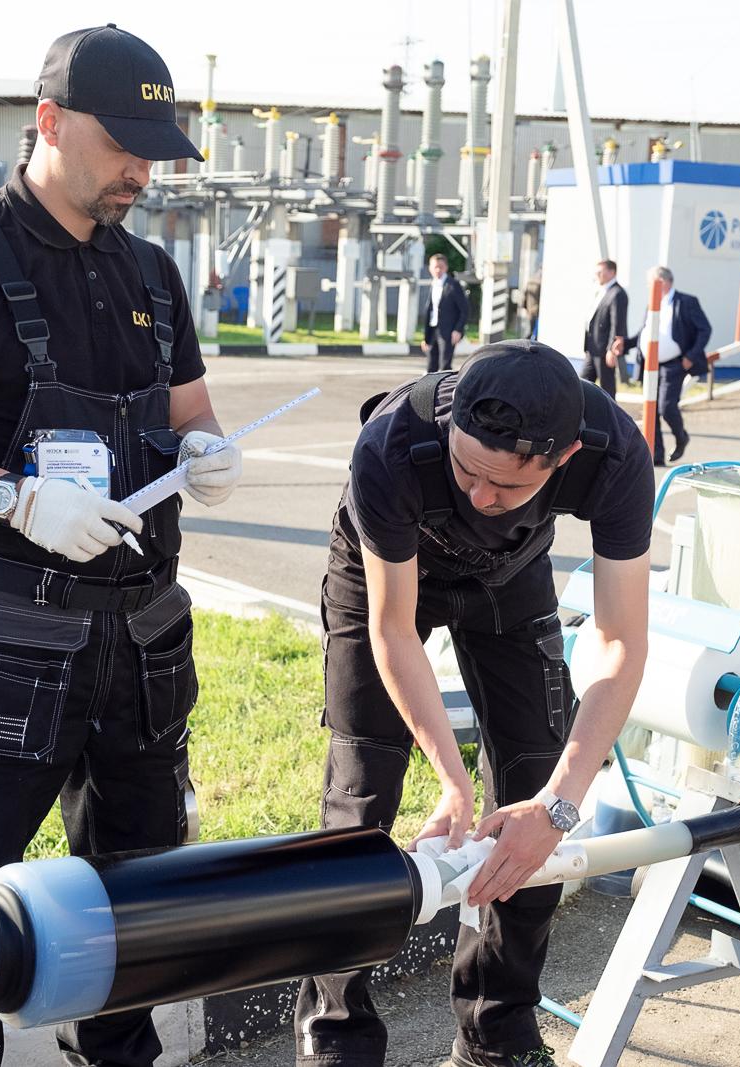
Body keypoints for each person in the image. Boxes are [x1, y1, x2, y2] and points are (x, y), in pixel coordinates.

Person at [0, 24, 242, 1067]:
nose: (141, 170)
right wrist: (14, 499)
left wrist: (205, 447)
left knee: (142, 900)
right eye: (123, 144)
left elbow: (191, 409)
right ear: (50, 120)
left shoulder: (153, 273)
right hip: (6, 647)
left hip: (144, 645)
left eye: (155, 149)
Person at [293, 342, 653, 1067]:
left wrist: (559, 804)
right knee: (361, 797)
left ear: (565, 457)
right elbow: (394, 630)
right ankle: (336, 1039)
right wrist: (450, 776)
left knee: (530, 786)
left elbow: (621, 643)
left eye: (504, 484)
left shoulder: (615, 457)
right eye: (465, 471)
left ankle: (497, 1033)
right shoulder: (391, 444)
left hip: (511, 575)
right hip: (387, 575)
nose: (479, 497)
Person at [628, 266, 712, 466]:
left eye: (651, 282)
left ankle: (681, 436)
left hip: (674, 364)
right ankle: (656, 454)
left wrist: (691, 356)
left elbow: (705, 329)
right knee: (651, 409)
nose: (648, 286)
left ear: (663, 282)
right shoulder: (652, 304)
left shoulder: (686, 302)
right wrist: (625, 344)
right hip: (650, 366)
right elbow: (644, 332)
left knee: (666, 407)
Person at [580, 259, 627, 399]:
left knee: (607, 389)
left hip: (604, 350)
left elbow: (617, 324)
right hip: (592, 347)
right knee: (582, 383)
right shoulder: (602, 291)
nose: (597, 275)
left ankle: (613, 419)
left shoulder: (617, 293)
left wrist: (611, 350)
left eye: (600, 272)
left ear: (612, 272)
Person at [420, 253, 470, 372]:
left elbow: (465, 309)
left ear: (446, 268)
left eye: (441, 267)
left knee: (444, 366)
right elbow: (431, 310)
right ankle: (429, 390)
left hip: (448, 331)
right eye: (435, 267)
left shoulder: (453, 285)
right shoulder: (434, 284)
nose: (438, 270)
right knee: (431, 367)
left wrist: (458, 330)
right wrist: (426, 337)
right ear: (430, 268)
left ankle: (444, 390)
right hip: (433, 330)